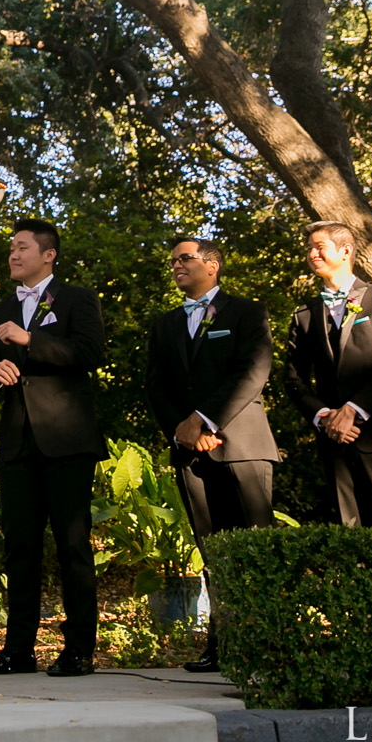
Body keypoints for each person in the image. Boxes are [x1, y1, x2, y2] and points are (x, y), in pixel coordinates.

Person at [0, 218, 105, 679]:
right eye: (11, 249)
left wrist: (31, 340)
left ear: (48, 254)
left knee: (72, 545)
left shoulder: (76, 298)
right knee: (20, 548)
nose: (13, 255)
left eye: (21, 248)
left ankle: (79, 650)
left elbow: (90, 353)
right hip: (18, 442)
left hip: (67, 440)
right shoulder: (0, 308)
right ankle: (18, 651)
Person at [141, 237, 277, 675]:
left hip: (241, 447)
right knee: (212, 551)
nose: (177, 265)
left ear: (213, 265)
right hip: (191, 453)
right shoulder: (164, 325)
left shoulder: (246, 312)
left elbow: (253, 370)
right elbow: (156, 386)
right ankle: (222, 644)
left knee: (255, 547)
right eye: (173, 260)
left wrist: (205, 420)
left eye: (185, 258)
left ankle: (265, 646)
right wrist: (183, 431)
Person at [282, 221, 372, 526]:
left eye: (319, 247)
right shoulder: (303, 315)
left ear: (346, 251)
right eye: (309, 249)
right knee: (351, 541)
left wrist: (353, 410)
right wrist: (324, 417)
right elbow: (293, 378)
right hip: (334, 444)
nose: (311, 254)